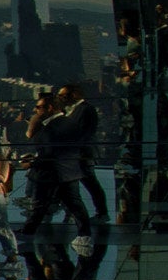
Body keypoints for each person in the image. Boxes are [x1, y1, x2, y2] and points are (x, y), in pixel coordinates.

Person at [22, 83, 106, 250]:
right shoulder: (64, 121)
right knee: (70, 203)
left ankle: (28, 232)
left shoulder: (55, 126)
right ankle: (83, 233)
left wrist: (34, 161)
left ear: (50, 108)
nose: (35, 110)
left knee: (43, 203)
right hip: (67, 169)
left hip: (57, 170)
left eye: (38, 107)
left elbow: (49, 150)